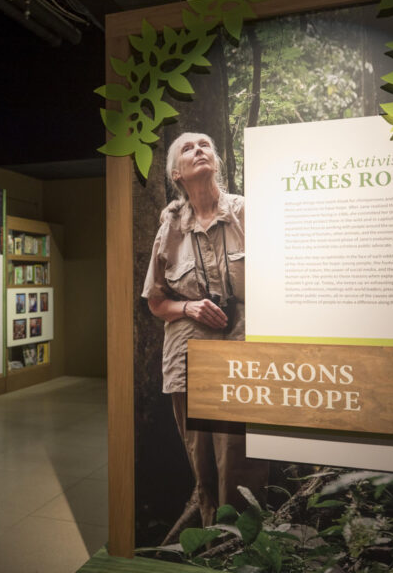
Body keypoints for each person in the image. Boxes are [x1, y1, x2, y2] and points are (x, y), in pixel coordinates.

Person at [142, 132, 268, 529]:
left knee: (240, 455)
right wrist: (189, 306)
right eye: (187, 148)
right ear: (176, 175)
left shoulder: (245, 212)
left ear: (216, 160)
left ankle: (245, 540)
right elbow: (156, 301)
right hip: (188, 359)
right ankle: (213, 539)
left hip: (242, 354)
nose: (199, 150)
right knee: (203, 463)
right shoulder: (170, 227)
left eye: (204, 145)